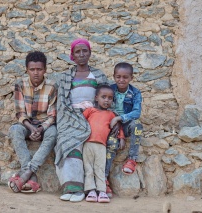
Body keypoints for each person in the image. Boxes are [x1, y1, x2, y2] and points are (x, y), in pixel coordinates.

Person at [55, 38, 108, 202]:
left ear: (90, 53)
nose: (82, 54)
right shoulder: (65, 77)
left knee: (90, 142)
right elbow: (62, 103)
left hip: (93, 117)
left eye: (85, 51)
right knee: (67, 141)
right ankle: (72, 187)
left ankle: (85, 190)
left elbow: (106, 101)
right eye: (77, 52)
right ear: (73, 56)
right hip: (71, 117)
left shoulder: (98, 75)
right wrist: (74, 116)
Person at [7, 51, 57, 193]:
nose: (36, 73)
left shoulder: (52, 86)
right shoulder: (20, 84)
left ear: (45, 70)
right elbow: (20, 113)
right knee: (15, 130)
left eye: (39, 69)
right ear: (27, 70)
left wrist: (40, 129)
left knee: (53, 133)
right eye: (32, 69)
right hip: (27, 125)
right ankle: (31, 176)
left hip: (44, 126)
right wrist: (31, 127)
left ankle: (26, 174)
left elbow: (52, 115)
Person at [105, 62, 143, 197]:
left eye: (125, 77)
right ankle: (104, 179)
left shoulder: (135, 92)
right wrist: (115, 123)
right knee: (111, 145)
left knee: (137, 125)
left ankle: (132, 159)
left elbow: (136, 112)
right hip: (110, 125)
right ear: (114, 76)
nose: (121, 80)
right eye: (118, 77)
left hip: (124, 123)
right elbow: (105, 108)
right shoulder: (110, 90)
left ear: (131, 78)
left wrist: (120, 118)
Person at [82, 85, 125, 203]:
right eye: (103, 97)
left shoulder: (111, 115)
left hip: (101, 146)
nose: (107, 100)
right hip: (87, 144)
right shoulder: (90, 111)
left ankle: (101, 191)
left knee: (100, 168)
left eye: (110, 98)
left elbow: (118, 128)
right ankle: (90, 190)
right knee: (88, 168)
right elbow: (80, 122)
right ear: (96, 98)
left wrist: (121, 138)